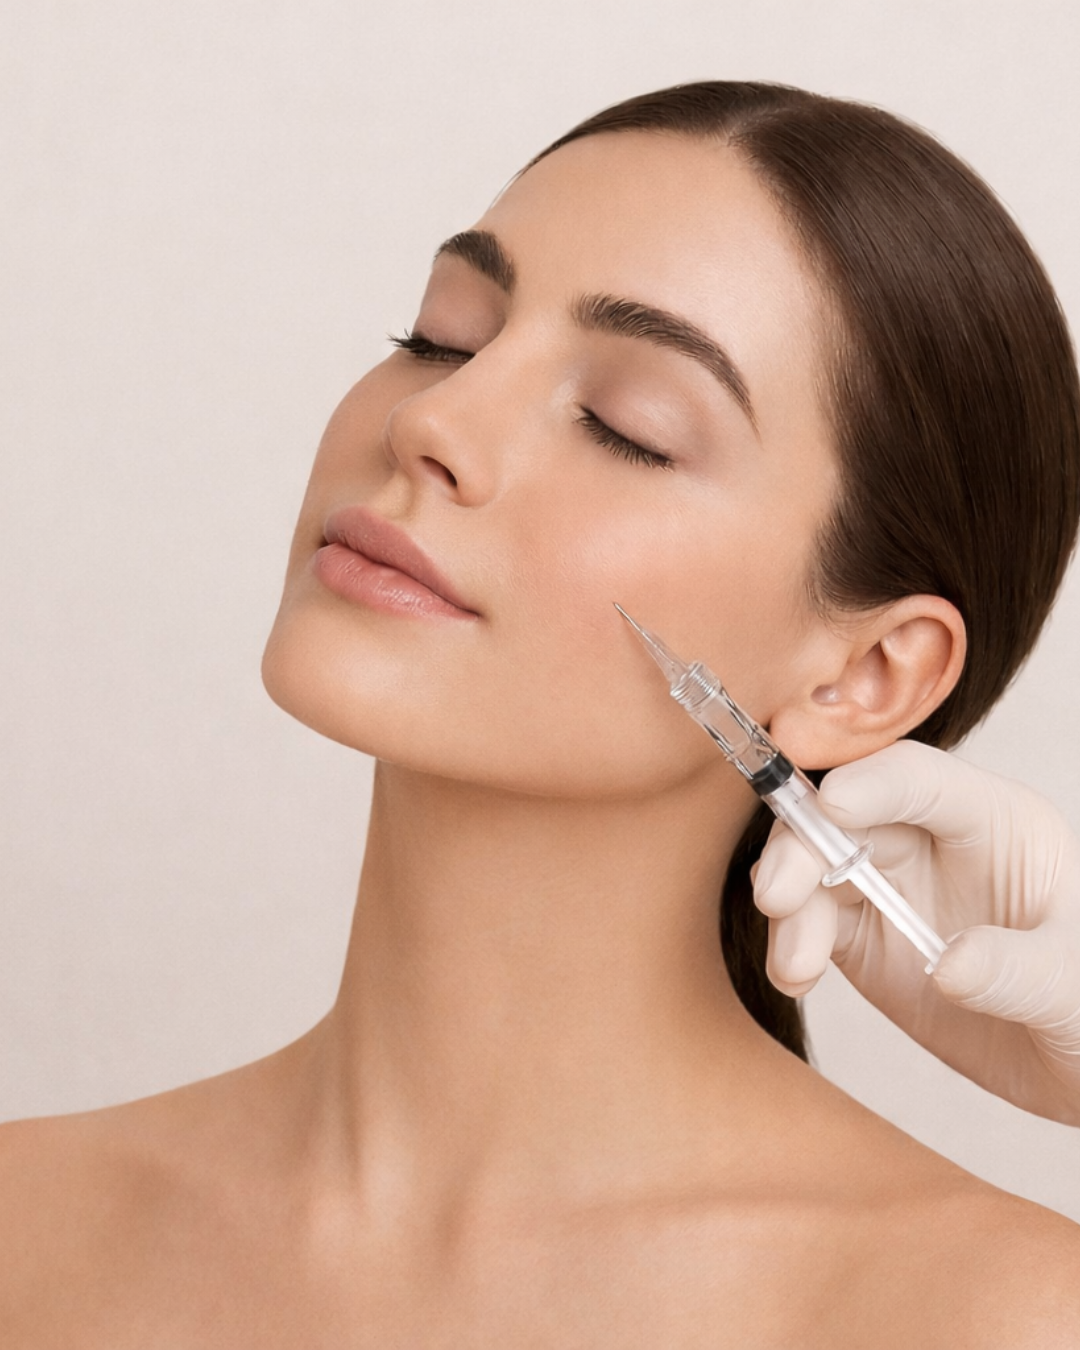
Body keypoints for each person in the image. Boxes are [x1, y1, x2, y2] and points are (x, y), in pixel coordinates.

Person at [2, 80, 1080, 1345]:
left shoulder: (989, 1312)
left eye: (626, 428)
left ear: (869, 677)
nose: (430, 421)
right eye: (442, 338)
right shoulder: (29, 1226)